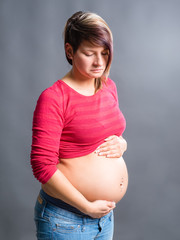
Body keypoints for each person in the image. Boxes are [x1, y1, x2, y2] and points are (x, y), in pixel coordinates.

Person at [30, 11, 128, 240]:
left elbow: (110, 134)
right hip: (65, 221)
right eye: (89, 53)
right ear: (69, 51)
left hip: (105, 218)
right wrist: (85, 205)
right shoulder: (54, 98)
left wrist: (123, 144)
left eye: (105, 53)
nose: (99, 62)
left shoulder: (108, 86)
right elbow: (42, 166)